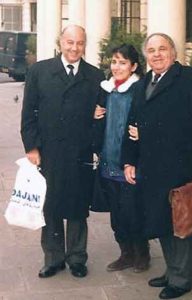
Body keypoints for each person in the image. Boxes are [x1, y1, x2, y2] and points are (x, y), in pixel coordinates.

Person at [122, 33, 192, 299]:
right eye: (151, 50)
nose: (157, 54)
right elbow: (132, 125)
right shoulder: (141, 86)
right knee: (163, 220)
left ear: (173, 53)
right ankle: (173, 269)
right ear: (146, 56)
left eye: (162, 49)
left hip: (182, 165)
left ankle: (181, 279)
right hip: (152, 168)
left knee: (183, 222)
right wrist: (129, 160)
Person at [20, 25, 105, 279]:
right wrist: (32, 147)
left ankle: (77, 258)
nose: (74, 48)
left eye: (79, 43)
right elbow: (28, 114)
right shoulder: (39, 71)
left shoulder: (94, 75)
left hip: (80, 152)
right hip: (50, 152)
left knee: (78, 207)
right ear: (60, 42)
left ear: (85, 45)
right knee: (52, 206)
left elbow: (100, 117)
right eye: (70, 42)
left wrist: (95, 142)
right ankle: (53, 258)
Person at [93, 44, 151, 273]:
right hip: (108, 159)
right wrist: (94, 115)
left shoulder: (140, 90)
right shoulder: (106, 89)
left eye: (123, 62)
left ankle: (142, 254)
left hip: (129, 162)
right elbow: (97, 119)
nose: (117, 67)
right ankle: (125, 253)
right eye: (114, 61)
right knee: (117, 213)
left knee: (133, 211)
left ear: (134, 66)